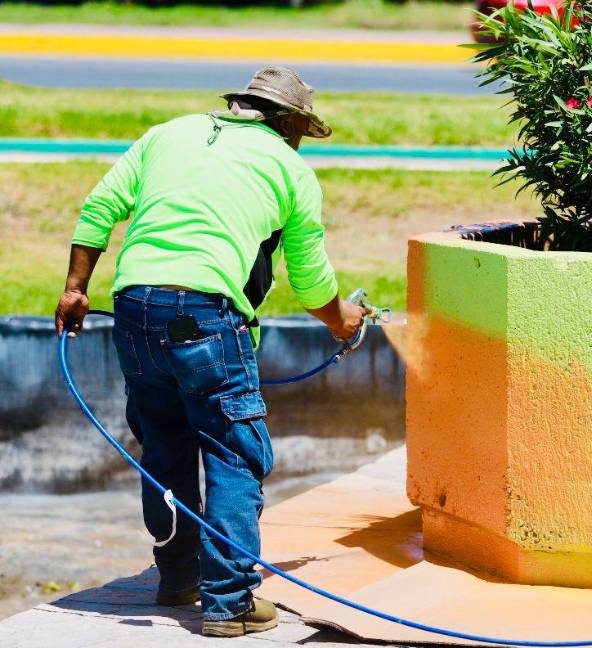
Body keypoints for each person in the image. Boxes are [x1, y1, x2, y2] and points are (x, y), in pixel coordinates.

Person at [53, 66, 366, 637]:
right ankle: (230, 603)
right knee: (234, 453)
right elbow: (310, 280)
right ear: (288, 123)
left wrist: (75, 290)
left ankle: (179, 578)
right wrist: (342, 320)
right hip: (206, 314)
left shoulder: (167, 134)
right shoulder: (290, 169)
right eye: (300, 132)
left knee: (164, 444)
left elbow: (99, 208)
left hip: (133, 308)